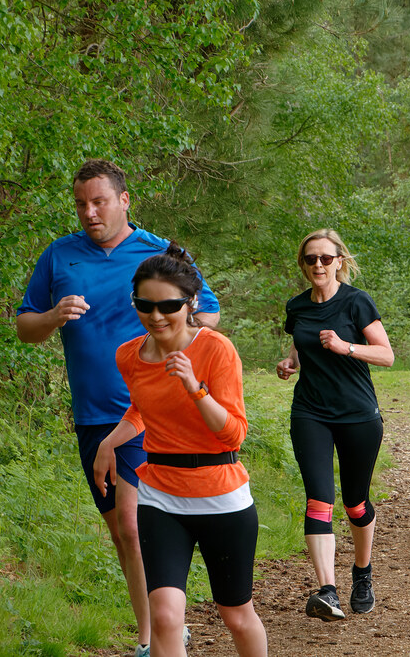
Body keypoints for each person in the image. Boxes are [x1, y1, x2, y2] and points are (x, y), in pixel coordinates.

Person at [16, 159, 219, 656]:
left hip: (153, 410)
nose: (89, 212)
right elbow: (24, 328)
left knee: (134, 523)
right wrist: (52, 316)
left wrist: (166, 328)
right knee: (123, 533)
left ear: (124, 200)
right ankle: (159, 628)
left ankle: (159, 637)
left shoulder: (160, 253)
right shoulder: (59, 256)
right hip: (93, 414)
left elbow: (208, 314)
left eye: (99, 201)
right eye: (81, 203)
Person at [92, 244, 265, 656]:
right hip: (161, 495)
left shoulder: (215, 349)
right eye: (144, 305)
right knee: (166, 615)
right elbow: (143, 409)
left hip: (221, 495)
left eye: (167, 305)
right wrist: (109, 441)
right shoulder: (129, 356)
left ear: (191, 303)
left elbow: (234, 435)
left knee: (236, 615)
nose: (155, 316)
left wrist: (196, 389)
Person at [276, 229, 395, 621]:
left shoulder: (356, 302)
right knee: (319, 500)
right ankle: (327, 590)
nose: (318, 266)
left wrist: (345, 347)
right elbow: (299, 341)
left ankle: (362, 572)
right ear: (304, 265)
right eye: (311, 259)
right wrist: (291, 363)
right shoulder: (297, 307)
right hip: (310, 412)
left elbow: (386, 355)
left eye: (326, 259)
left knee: (354, 503)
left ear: (339, 261)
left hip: (358, 415)